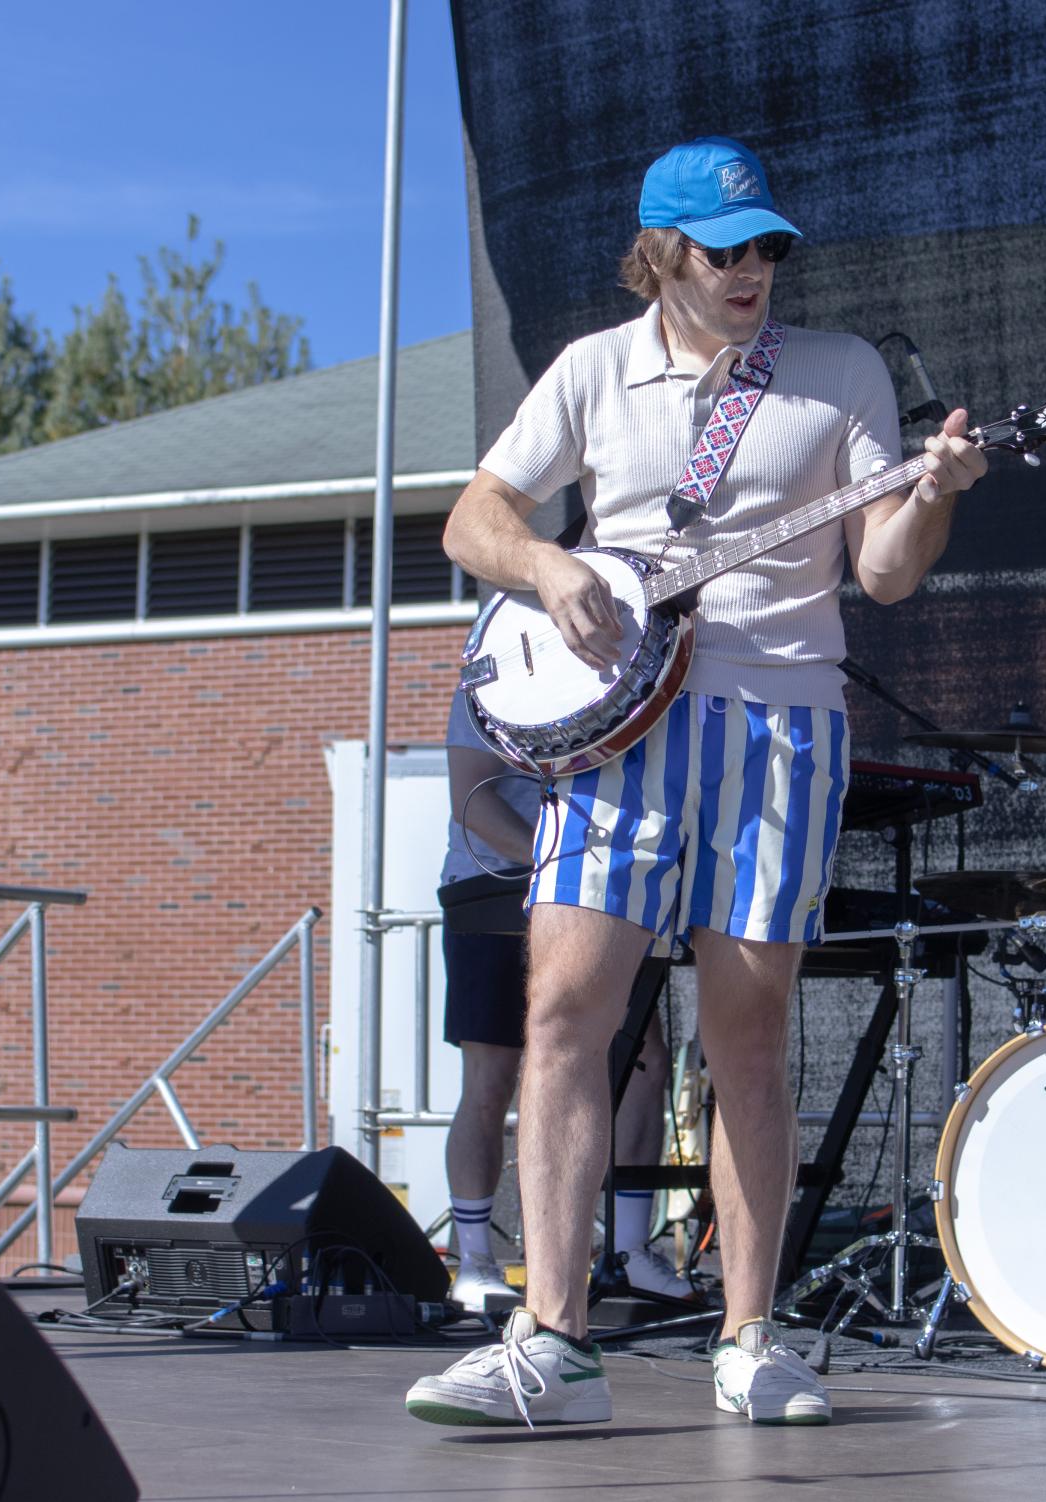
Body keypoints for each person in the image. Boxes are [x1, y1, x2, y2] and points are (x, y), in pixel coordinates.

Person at [406, 136, 985, 1429]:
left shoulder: (838, 376)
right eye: (726, 251)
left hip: (779, 726)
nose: (753, 271)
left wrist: (933, 493)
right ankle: (553, 1340)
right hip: (619, 731)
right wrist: (553, 574)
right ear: (663, 256)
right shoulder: (593, 374)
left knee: (746, 1036)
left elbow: (883, 569)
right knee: (563, 1009)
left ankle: (751, 1335)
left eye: (769, 247)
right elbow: (473, 519)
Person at [437, 681, 691, 1312]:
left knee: (644, 1062)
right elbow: (472, 800)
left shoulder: (631, 671)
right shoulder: (491, 676)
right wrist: (555, 862)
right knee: (492, 1075)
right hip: (494, 882)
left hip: (599, 890)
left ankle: (629, 1250)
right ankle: (474, 1262)